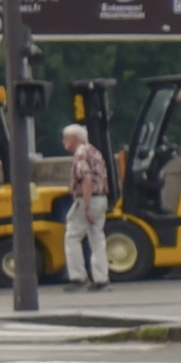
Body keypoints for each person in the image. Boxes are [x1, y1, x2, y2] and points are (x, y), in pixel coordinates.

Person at [63, 122, 110, 292]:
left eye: (65, 138)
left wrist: (86, 206)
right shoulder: (94, 151)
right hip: (102, 198)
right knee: (97, 237)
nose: (63, 142)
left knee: (72, 236)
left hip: (87, 199)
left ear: (74, 139)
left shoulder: (80, 153)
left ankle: (78, 277)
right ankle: (101, 278)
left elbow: (86, 179)